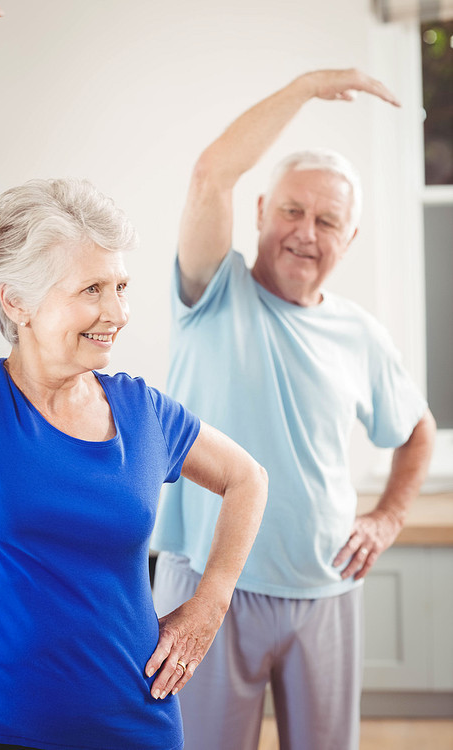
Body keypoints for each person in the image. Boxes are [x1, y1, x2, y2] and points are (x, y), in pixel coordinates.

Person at [151, 68, 436, 750]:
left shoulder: (359, 333)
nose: (307, 232)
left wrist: (388, 516)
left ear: (350, 238)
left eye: (328, 220)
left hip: (326, 589)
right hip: (207, 587)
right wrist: (307, 88)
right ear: (257, 214)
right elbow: (209, 174)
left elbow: (418, 430)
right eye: (291, 210)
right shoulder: (212, 294)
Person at [0, 177, 268, 750]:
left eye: (121, 285)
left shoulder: (142, 410)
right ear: (15, 301)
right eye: (92, 288)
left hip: (133, 725)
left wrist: (210, 601)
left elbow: (248, 478)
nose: (117, 311)